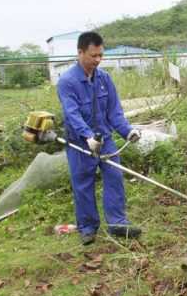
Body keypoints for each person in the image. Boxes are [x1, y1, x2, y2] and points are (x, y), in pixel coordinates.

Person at [57, 31, 142, 245]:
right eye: (93, 55)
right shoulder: (67, 82)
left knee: (114, 177)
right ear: (80, 53)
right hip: (79, 143)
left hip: (105, 139)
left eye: (100, 56)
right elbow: (71, 113)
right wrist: (87, 137)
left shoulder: (104, 79)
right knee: (83, 183)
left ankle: (118, 224)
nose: (97, 60)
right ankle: (87, 227)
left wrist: (127, 131)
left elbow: (114, 112)